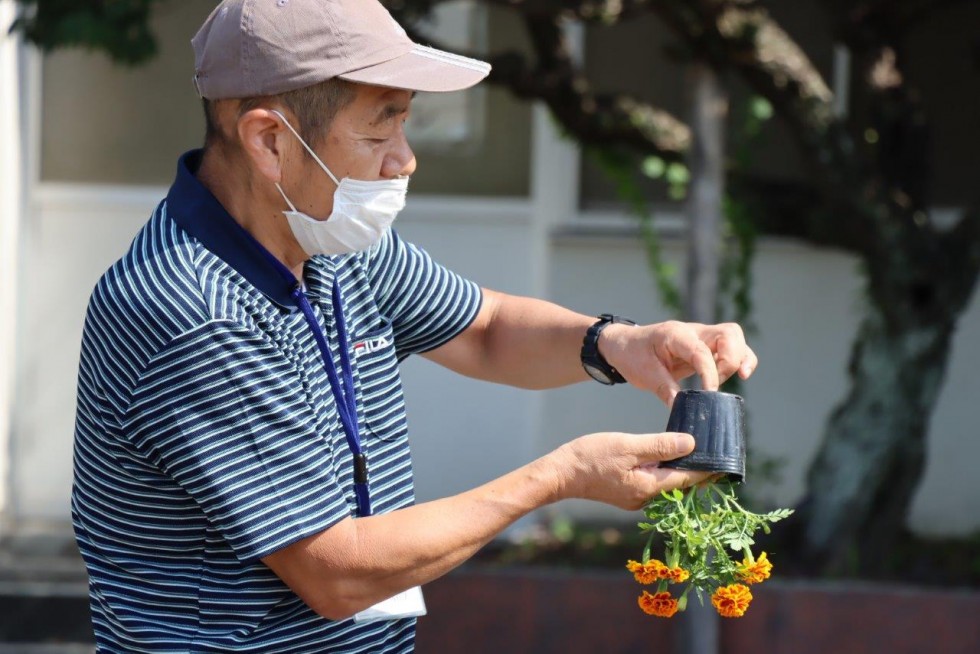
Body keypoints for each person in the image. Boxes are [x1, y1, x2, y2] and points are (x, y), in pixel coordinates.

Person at [70, 0, 758, 651]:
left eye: (407, 124)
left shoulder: (329, 243)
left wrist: (615, 343)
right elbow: (337, 572)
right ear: (269, 141)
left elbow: (483, 328)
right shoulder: (192, 313)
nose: (405, 158)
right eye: (380, 127)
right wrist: (560, 478)